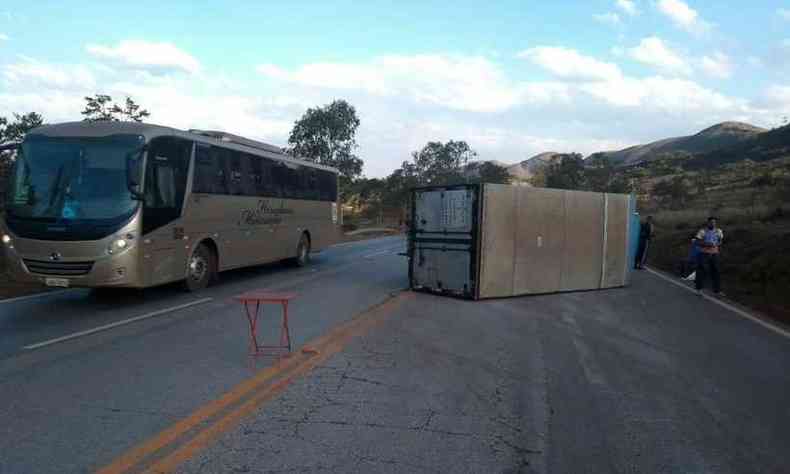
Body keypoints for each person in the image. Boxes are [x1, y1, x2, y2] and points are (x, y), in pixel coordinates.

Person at [694, 217, 724, 296]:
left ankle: (717, 291)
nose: (712, 224)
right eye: (711, 222)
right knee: (701, 271)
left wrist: (717, 244)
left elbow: (720, 241)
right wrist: (706, 244)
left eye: (714, 222)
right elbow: (697, 241)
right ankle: (699, 289)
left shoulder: (719, 231)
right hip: (704, 253)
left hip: (714, 254)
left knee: (716, 271)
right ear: (708, 223)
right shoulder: (702, 231)